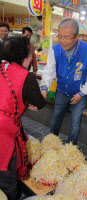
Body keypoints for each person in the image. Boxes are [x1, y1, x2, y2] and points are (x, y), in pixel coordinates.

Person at [0, 36, 46, 200]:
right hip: (4, 134)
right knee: (7, 180)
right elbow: (39, 103)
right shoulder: (26, 76)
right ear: (25, 56)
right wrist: (40, 93)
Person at [40, 18, 87, 145]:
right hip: (61, 91)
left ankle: (70, 149)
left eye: (66, 37)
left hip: (80, 92)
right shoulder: (55, 50)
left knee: (75, 123)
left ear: (76, 37)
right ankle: (51, 143)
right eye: (59, 36)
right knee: (55, 119)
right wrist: (44, 88)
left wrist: (82, 94)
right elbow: (49, 72)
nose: (62, 41)